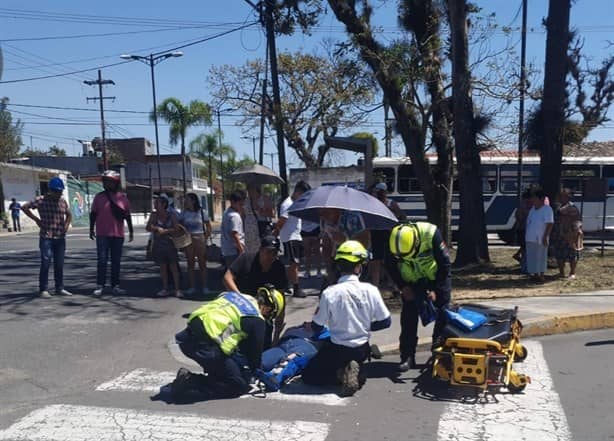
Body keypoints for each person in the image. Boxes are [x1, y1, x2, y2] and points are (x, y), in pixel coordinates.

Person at [301, 240, 391, 397]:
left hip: (338, 350)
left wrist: (313, 325)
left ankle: (341, 373)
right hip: (361, 348)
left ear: (339, 267)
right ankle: (357, 372)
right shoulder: (371, 290)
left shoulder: (330, 292)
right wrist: (365, 327)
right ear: (358, 267)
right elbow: (386, 321)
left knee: (309, 376)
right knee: (355, 357)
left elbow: (317, 327)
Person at [170, 287, 285, 401]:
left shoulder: (234, 296)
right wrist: (267, 380)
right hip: (204, 347)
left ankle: (214, 373)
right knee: (238, 384)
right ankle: (190, 381)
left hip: (187, 336)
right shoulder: (257, 320)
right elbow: (255, 361)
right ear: (268, 308)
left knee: (229, 366)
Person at [385, 222, 452, 371]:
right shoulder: (394, 241)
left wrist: (436, 290)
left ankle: (439, 354)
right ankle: (407, 356)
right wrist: (403, 286)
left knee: (443, 314)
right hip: (410, 280)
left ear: (416, 242)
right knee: (408, 317)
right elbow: (390, 266)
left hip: (436, 278)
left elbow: (445, 265)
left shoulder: (431, 233)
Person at [223, 235, 288, 346]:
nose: (271, 256)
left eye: (275, 253)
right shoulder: (246, 259)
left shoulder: (278, 268)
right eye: (269, 252)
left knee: (264, 350)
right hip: (241, 311)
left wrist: (277, 335)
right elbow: (227, 277)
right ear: (261, 250)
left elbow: (281, 299)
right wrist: (241, 298)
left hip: (263, 315)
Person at [21, 177, 73, 298]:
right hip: (46, 237)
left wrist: (66, 226)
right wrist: (36, 220)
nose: (58, 194)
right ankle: (43, 289)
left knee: (59, 264)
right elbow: (24, 207)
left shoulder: (62, 201)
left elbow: (69, 215)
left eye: (60, 191)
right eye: (56, 191)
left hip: (60, 237)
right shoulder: (40, 200)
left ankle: (59, 287)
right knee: (46, 261)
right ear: (50, 190)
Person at [89, 170, 134, 296]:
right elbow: (93, 214)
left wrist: (131, 231)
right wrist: (91, 229)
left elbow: (127, 215)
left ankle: (115, 285)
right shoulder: (99, 197)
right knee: (102, 260)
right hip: (102, 234)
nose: (106, 184)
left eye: (109, 181)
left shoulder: (123, 198)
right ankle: (100, 285)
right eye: (105, 181)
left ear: (115, 183)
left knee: (116, 261)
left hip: (118, 235)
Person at [257, 322, 330, 391]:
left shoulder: (325, 329)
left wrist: (316, 330)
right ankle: (249, 373)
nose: (306, 322)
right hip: (284, 344)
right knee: (262, 361)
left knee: (292, 359)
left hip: (306, 345)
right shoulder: (295, 328)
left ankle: (276, 378)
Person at [273, 180, 311, 298]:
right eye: (303, 194)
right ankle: (296, 288)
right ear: (298, 192)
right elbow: (281, 221)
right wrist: (276, 235)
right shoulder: (288, 204)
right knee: (294, 263)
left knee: (295, 263)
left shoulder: (295, 203)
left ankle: (287, 284)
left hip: (296, 236)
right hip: (290, 237)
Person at [369, 182, 405, 286]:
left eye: (381, 191)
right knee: (376, 261)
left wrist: (393, 215)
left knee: (391, 260)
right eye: (377, 191)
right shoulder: (373, 204)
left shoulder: (391, 203)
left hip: (389, 234)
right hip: (376, 234)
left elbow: (401, 216)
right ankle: (375, 285)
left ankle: (393, 284)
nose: (379, 194)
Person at [146, 194, 182, 297]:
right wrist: (157, 229)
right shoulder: (154, 215)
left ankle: (177, 289)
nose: (155, 205)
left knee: (173, 266)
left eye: (157, 203)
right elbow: (148, 227)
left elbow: (177, 229)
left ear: (164, 204)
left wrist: (165, 231)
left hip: (170, 244)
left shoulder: (172, 215)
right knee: (163, 267)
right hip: (158, 244)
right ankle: (165, 288)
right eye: (155, 203)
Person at [179, 192, 213, 296]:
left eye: (187, 199)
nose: (186, 201)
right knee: (190, 263)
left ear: (193, 201)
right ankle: (192, 286)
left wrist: (205, 237)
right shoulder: (184, 213)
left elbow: (208, 226)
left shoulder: (202, 212)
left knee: (202, 263)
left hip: (200, 237)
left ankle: (205, 286)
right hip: (188, 239)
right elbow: (179, 225)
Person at [552, 188, 583, 279]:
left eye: (563, 196)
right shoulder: (558, 206)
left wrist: (576, 232)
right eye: (560, 196)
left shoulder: (572, 207)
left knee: (572, 255)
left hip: (570, 234)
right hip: (559, 234)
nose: (561, 198)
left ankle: (572, 272)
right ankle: (561, 272)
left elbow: (577, 220)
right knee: (559, 255)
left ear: (568, 197)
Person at [525, 188, 554, 283]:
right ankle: (534, 274)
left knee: (541, 256)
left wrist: (545, 236)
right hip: (530, 237)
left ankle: (541, 275)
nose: (532, 200)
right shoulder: (532, 209)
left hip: (541, 238)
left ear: (541, 199)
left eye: (534, 198)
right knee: (532, 256)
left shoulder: (547, 209)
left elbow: (550, 224)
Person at [244, 183, 275, 253]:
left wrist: (259, 209)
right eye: (248, 189)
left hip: (261, 229)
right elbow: (243, 215)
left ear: (256, 189)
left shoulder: (265, 199)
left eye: (251, 189)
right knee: (251, 252)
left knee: (262, 250)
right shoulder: (246, 200)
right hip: (249, 232)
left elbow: (272, 214)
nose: (249, 192)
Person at [221, 190, 246, 268]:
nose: (242, 206)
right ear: (232, 202)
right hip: (234, 250)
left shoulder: (227, 212)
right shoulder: (234, 216)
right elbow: (234, 234)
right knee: (235, 274)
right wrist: (242, 250)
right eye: (240, 204)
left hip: (227, 249)